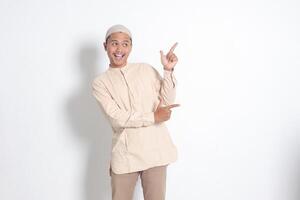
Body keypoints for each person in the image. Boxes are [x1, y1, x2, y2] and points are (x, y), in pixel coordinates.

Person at [91, 24, 180, 200]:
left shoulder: (146, 70)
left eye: (125, 44)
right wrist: (153, 117)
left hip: (155, 151)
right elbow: (116, 118)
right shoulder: (100, 83)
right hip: (125, 156)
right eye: (114, 43)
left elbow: (167, 102)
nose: (119, 49)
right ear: (105, 46)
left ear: (131, 47)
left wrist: (168, 70)